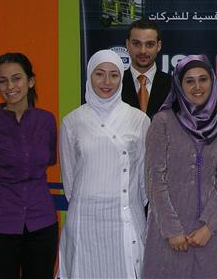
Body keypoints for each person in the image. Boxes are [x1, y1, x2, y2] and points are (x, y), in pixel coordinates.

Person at [142, 55, 217, 279]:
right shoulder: (162, 122)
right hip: (169, 236)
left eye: (203, 79)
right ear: (179, 85)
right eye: (189, 81)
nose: (197, 87)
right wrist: (172, 230)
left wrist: (208, 227)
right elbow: (154, 180)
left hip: (210, 235)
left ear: (212, 82)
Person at [59, 49, 150, 278]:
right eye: (99, 74)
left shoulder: (139, 120)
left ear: (122, 78)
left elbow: (144, 179)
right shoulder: (72, 121)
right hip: (85, 220)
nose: (107, 82)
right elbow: (70, 180)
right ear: (89, 75)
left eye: (114, 75)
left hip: (125, 218)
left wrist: (126, 203)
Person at [0, 52, 58, 279]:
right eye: (3, 81)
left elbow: (47, 161)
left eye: (16, 78)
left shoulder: (47, 121)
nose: (10, 87)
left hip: (41, 223)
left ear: (30, 81)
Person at [122, 19, 172, 116]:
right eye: (136, 44)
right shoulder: (115, 84)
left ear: (158, 46)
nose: (143, 51)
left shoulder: (173, 86)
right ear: (127, 44)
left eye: (150, 44)